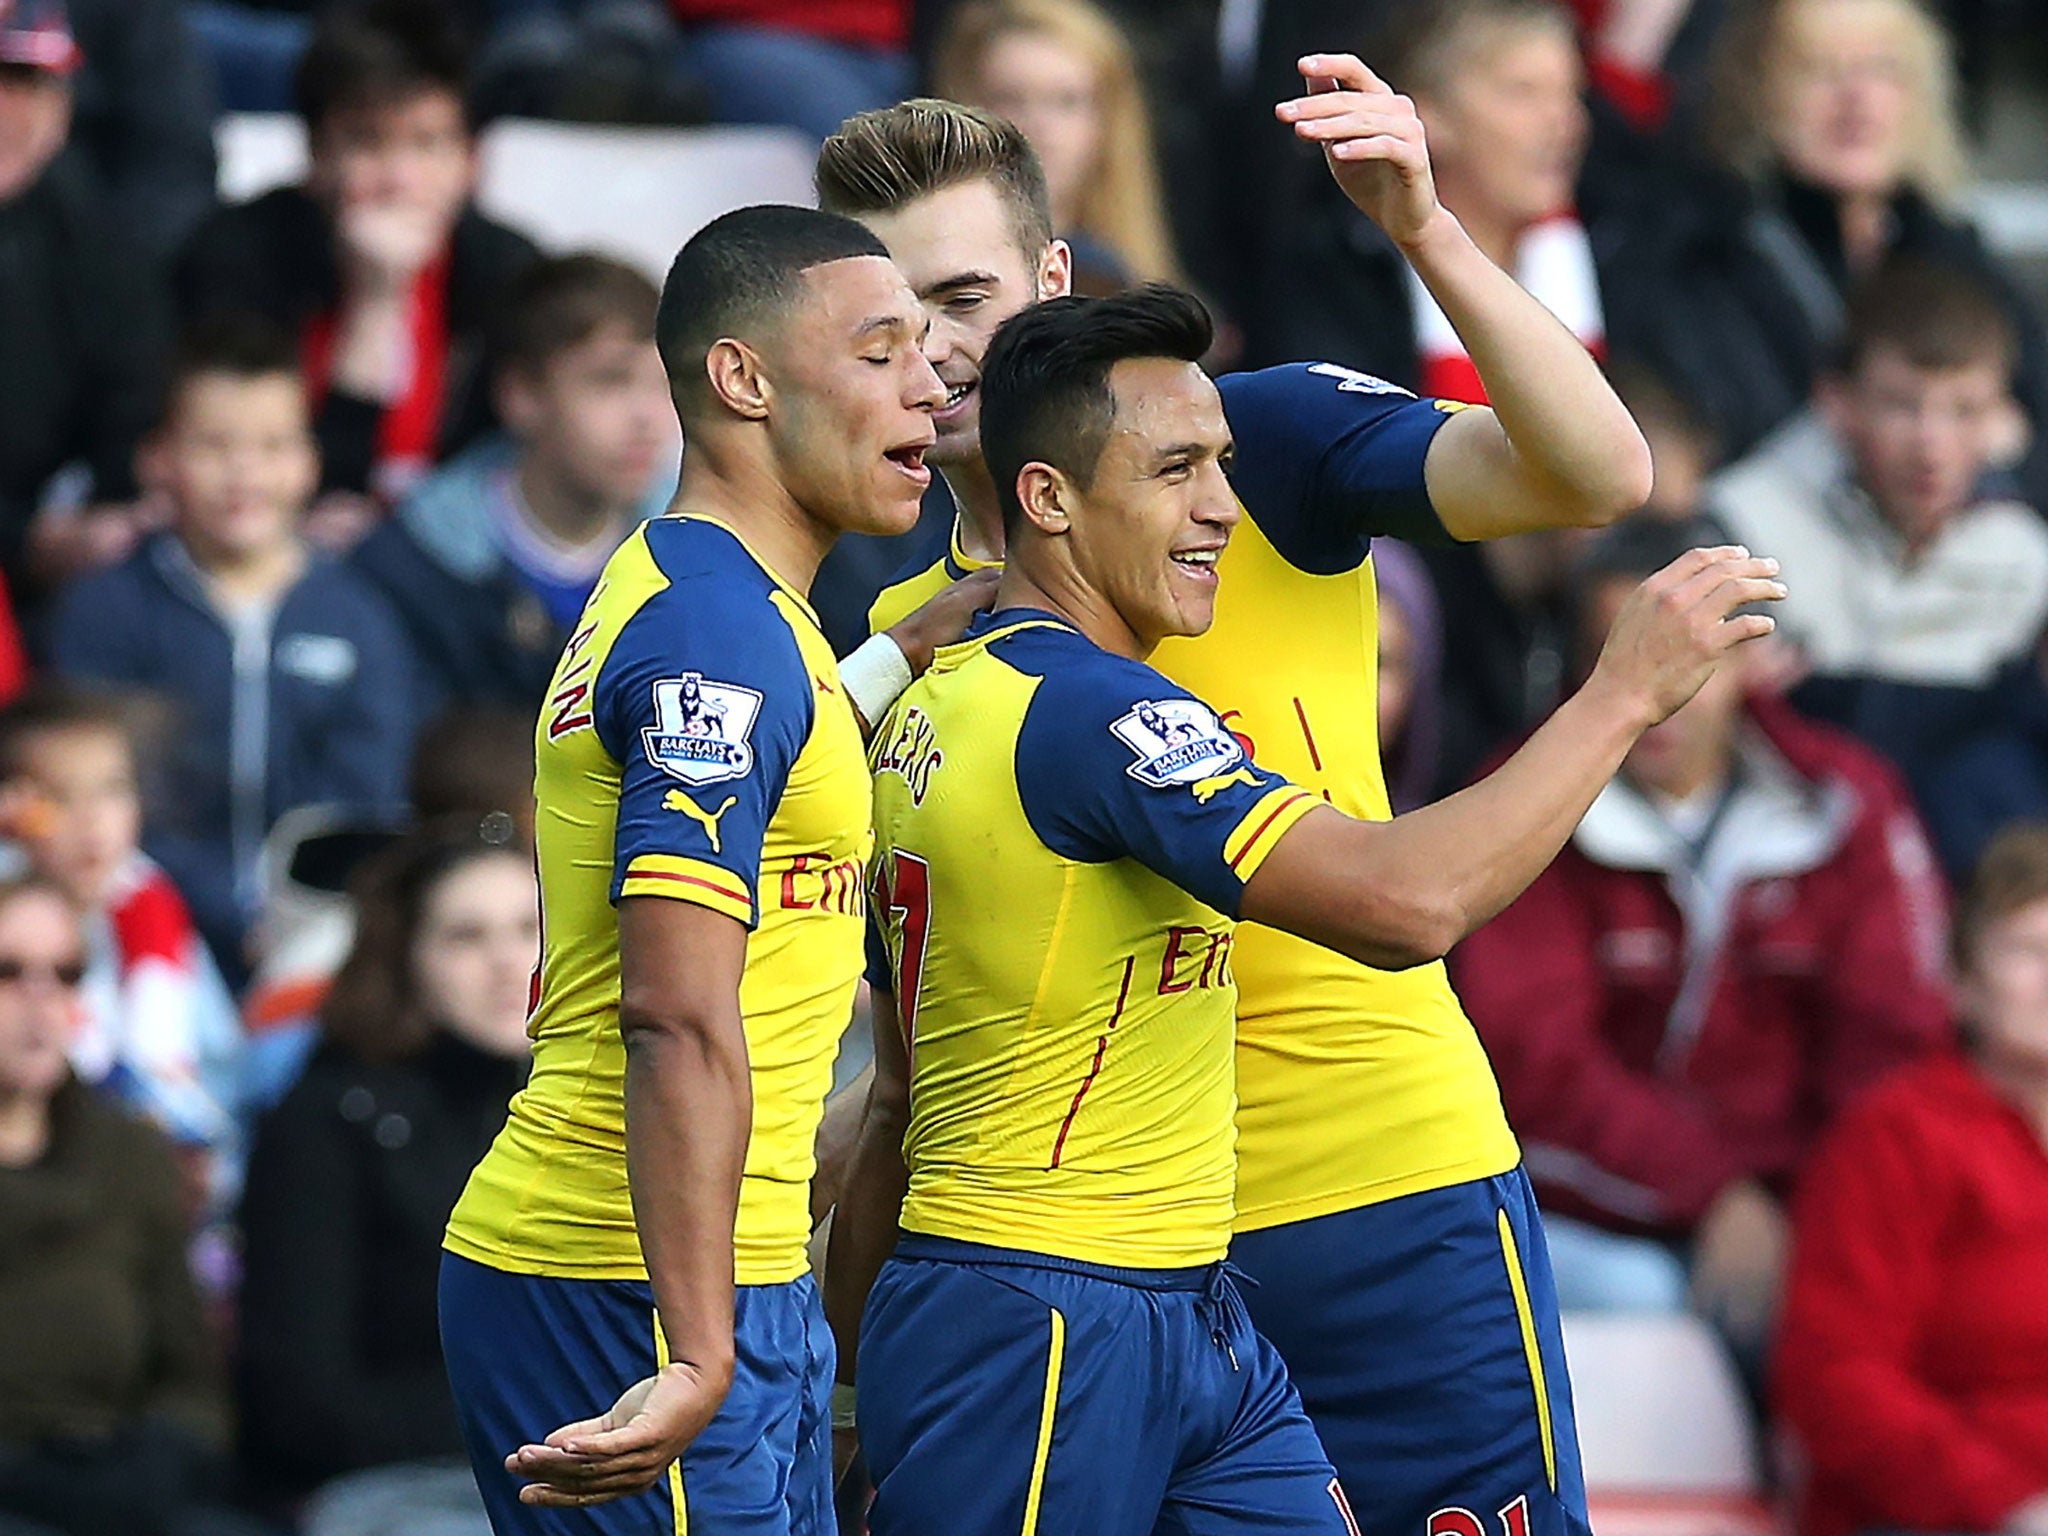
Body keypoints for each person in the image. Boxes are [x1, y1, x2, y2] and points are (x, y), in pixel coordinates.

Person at [815, 77, 1657, 1529]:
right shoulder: (896, 629)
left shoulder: (1242, 447)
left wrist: (1430, 231)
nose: (935, 352)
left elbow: (1598, 473)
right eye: (888, 317)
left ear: (1055, 282)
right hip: (1096, 1260)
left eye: (964, 294)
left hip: (1382, 1191)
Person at [438, 204, 945, 1534]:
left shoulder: (729, 613)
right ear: (743, 379)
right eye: (883, 349)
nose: (931, 384)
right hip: (632, 1286)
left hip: (722, 1275)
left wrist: (914, 645)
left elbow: (775, 761)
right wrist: (702, 1346)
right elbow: (673, 1008)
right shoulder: (717, 637)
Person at [1453, 513, 1952, 1363]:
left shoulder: (1847, 806)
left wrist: (1815, 1213)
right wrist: (1719, 1195)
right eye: (1627, 657)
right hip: (1574, 1215)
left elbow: (1893, 1041)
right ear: (1579, 669)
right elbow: (1529, 1068)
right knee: (1643, 1298)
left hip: (1811, 1203)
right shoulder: (1512, 804)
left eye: (1699, 659)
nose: (1666, 693)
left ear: (1754, 657)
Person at [49, 315, 419, 986]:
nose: (244, 472)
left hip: (319, 946)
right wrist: (223, 908)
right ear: (157, 460)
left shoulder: (360, 616)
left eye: (273, 445)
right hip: (137, 935)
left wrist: (296, 911)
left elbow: (367, 798)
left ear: (309, 462)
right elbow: (96, 787)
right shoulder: (106, 610)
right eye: (215, 445)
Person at [239, 822, 535, 1535]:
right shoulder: (323, 1123)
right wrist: (536, 1418)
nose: (508, 963)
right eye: (467, 937)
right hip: (388, 1487)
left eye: (528, 929)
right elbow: (302, 1401)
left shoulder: (574, 1110)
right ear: (404, 956)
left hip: (548, 1469)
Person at [1775, 822, 2048, 1536]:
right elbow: (1835, 1377)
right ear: (1961, 983)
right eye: (2028, 950)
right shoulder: (1897, 1134)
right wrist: (2005, 1504)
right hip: (1934, 1515)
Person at [176, 0, 543, 508]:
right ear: (317, 156)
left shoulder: (512, 273)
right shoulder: (238, 257)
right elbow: (266, 483)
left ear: (470, 162)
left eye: (428, 144)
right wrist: (377, 304)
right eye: (368, 144)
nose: (399, 180)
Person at [1704, 256, 2048, 791]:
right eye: (1902, 405)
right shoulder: (1739, 527)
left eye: (1964, 411)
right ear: (1836, 401)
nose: (1931, 444)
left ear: (2004, 418)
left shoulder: (2024, 552)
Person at [1696, 0, 2048, 505]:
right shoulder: (1711, 259)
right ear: (1761, 95)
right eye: (1821, 71)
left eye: (1883, 69)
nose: (1857, 98)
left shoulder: (1959, 258)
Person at [0, 876, 262, 1536]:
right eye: (8, 971)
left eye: (66, 973)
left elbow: (193, 1381)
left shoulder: (130, 1155)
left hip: (115, 1484)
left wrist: (159, 1460)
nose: (40, 998)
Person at [354, 253, 679, 713]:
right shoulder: (407, 571)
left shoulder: (703, 562)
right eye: (611, 382)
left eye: (664, 384)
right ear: (521, 395)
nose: (649, 418)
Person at [1247, 0, 1603, 401]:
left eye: (1571, 93)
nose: (1565, 123)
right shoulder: (1341, 274)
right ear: (1426, 114)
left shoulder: (1621, 252)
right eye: (1523, 93)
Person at [0, 688, 243, 1235]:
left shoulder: (154, 912)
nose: (93, 822)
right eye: (60, 796)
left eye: (113, 790)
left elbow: (218, 1069)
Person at [0, 0, 168, 603]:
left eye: (26, 84)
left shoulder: (92, 233)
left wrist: (107, 519)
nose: (7, 112)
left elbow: (132, 402)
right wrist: (23, 538)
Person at [932, 0, 1181, 291]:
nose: (1040, 126)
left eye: (1066, 101)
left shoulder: (1148, 289)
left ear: (1109, 121)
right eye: (1011, 98)